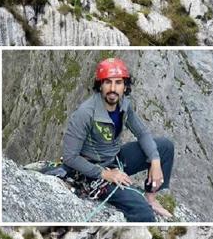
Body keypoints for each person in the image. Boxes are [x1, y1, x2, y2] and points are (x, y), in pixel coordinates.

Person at [62, 57, 174, 222]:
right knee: (142, 213)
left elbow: (142, 133)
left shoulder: (124, 106)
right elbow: (70, 157)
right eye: (108, 82)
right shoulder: (85, 113)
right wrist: (104, 174)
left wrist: (155, 161)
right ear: (100, 85)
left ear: (125, 86)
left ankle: (151, 198)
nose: (113, 88)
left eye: (118, 83)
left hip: (115, 159)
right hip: (91, 172)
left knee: (165, 147)